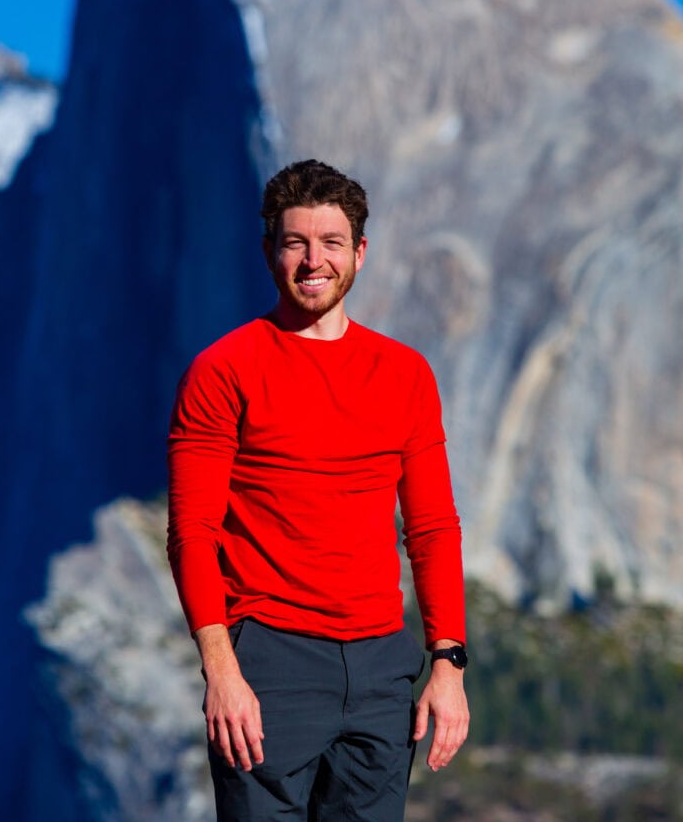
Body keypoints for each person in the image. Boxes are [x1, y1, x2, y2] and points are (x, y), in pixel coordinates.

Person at [167, 159, 468, 821]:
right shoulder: (222, 371)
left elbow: (433, 529)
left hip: (381, 667)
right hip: (268, 664)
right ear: (269, 249)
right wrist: (221, 670)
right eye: (295, 242)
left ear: (359, 253)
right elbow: (193, 531)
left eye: (330, 243)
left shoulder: (405, 375)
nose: (313, 261)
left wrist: (447, 666)